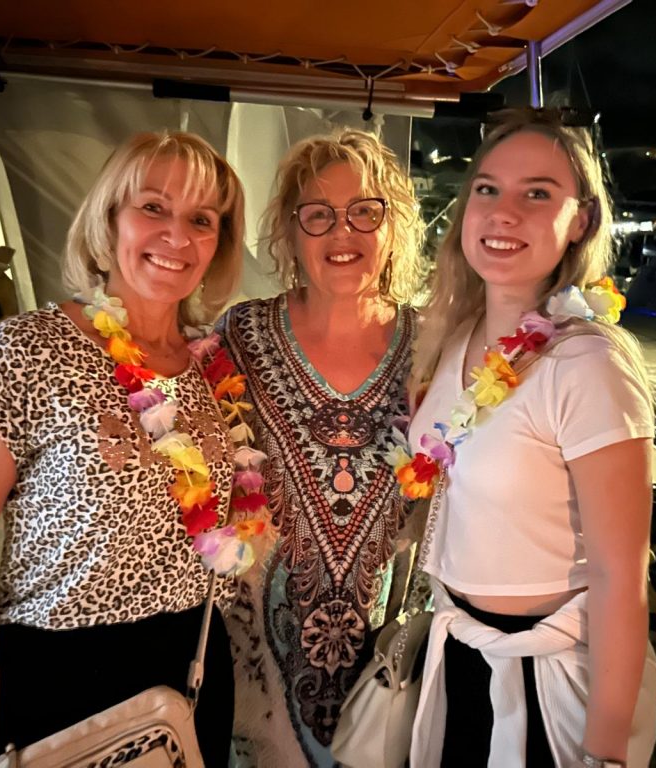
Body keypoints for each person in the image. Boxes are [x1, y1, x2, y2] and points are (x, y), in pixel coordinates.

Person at [0, 131, 246, 768]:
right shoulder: (29, 349)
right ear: (109, 218)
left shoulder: (211, 367)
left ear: (218, 243)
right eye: (153, 207)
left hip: (195, 665)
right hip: (64, 680)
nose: (177, 236)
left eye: (201, 220)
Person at [405, 109, 656, 768]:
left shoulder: (587, 363)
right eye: (487, 189)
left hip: (551, 679)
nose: (503, 212)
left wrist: (606, 749)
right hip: (460, 652)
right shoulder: (454, 339)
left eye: (538, 193)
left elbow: (620, 574)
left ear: (580, 221)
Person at [221, 129, 426, 768]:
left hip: (387, 669)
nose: (343, 232)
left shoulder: (432, 347)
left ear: (393, 226)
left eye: (365, 210)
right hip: (253, 672)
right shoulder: (242, 334)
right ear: (291, 230)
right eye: (319, 214)